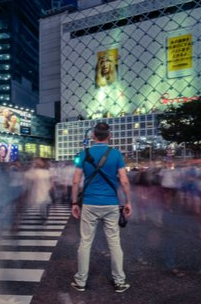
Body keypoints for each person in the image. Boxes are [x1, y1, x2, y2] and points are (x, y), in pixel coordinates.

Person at [70, 122, 132, 293]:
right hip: (111, 203)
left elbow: (75, 181)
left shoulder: (84, 154)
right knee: (114, 242)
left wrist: (74, 203)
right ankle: (119, 281)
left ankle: (81, 281)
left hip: (90, 203)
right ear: (109, 136)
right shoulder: (116, 154)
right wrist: (128, 201)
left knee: (85, 242)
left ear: (93, 136)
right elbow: (124, 181)